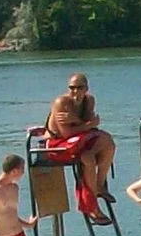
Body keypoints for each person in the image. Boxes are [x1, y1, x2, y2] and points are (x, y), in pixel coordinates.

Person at [44, 72, 115, 211]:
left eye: (79, 87)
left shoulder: (89, 101)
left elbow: (90, 127)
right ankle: (91, 205)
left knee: (108, 143)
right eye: (72, 88)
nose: (75, 91)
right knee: (87, 158)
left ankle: (99, 185)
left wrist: (76, 121)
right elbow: (67, 133)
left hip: (78, 142)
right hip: (57, 145)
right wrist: (87, 124)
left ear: (86, 89)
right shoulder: (62, 103)